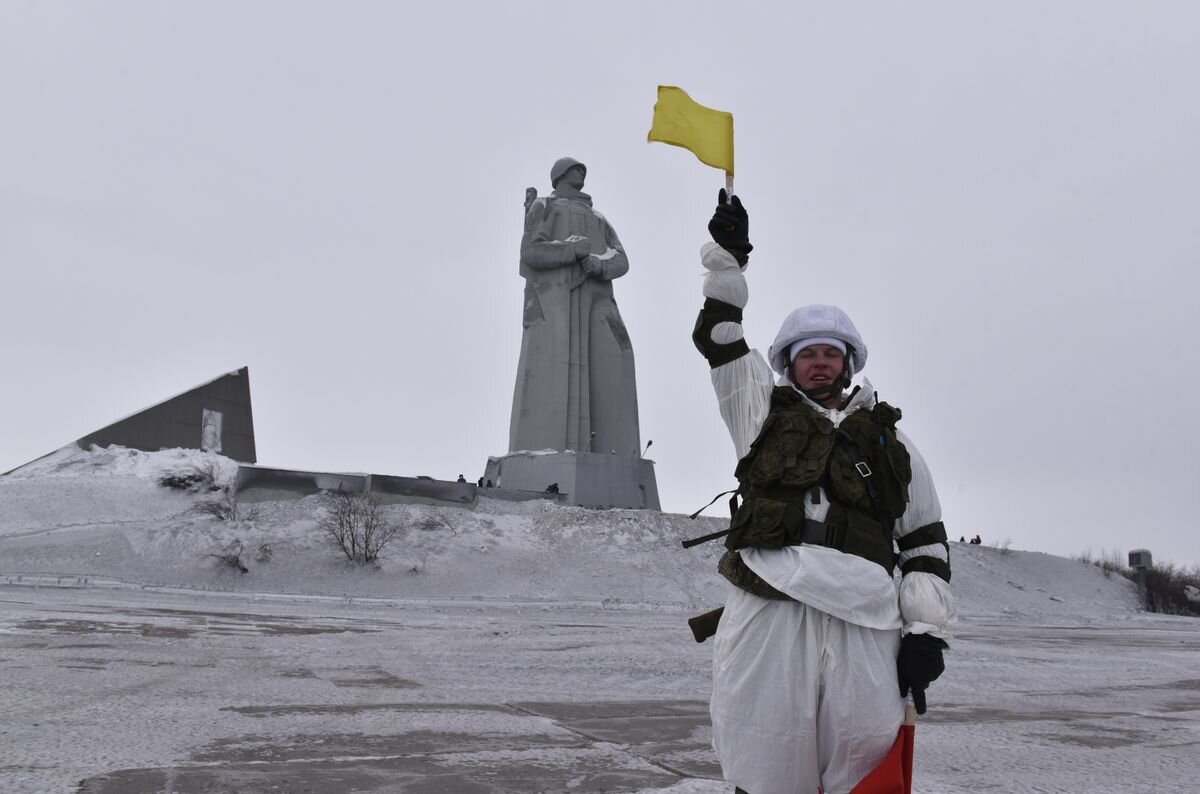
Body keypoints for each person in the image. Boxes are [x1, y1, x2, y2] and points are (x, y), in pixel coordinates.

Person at [691, 190, 955, 794]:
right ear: (786, 361)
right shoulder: (755, 412)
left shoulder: (893, 444)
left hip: (866, 618)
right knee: (763, 753)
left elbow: (924, 542)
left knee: (862, 757)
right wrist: (728, 262)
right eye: (806, 353)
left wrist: (925, 634)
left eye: (830, 354)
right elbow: (720, 338)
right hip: (770, 607)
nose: (819, 363)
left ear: (849, 363)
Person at [509, 157, 642, 457]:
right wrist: (570, 250)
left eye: (582, 168)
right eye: (573, 168)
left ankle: (617, 453)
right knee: (553, 372)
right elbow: (530, 251)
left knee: (617, 356)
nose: (581, 171)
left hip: (597, 301)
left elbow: (621, 259)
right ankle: (547, 449)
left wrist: (599, 263)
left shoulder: (598, 218)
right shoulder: (545, 206)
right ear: (559, 176)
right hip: (556, 303)